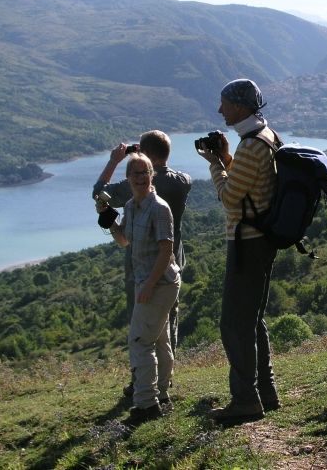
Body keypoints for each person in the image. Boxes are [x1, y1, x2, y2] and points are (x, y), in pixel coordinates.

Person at [197, 78, 281, 425]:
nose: (220, 110)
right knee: (251, 319)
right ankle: (266, 392)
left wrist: (215, 164)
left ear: (240, 106)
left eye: (225, 104)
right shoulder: (265, 136)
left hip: (247, 242)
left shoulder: (252, 145)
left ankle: (246, 400)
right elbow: (249, 186)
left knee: (233, 323)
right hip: (261, 240)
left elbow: (231, 199)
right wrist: (228, 158)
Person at [92, 130, 191, 396]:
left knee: (141, 329)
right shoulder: (182, 182)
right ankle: (164, 382)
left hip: (144, 268)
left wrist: (115, 160)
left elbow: (99, 193)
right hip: (173, 266)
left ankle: (143, 385)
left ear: (147, 162)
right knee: (165, 327)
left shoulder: (135, 189)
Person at [102, 153, 181, 424]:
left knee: (139, 341)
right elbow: (124, 241)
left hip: (160, 283)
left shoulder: (159, 208)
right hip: (146, 282)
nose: (141, 177)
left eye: (145, 172)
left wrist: (148, 286)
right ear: (128, 178)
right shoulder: (130, 206)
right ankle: (162, 395)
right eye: (135, 173)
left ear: (152, 175)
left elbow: (166, 250)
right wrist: (108, 219)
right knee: (159, 339)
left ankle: (146, 404)